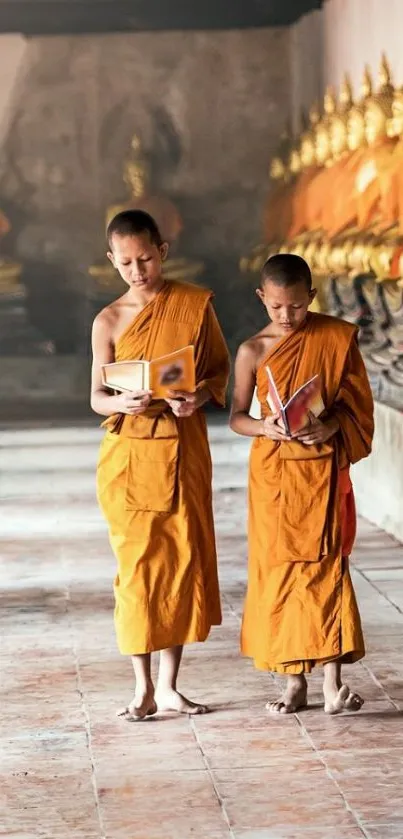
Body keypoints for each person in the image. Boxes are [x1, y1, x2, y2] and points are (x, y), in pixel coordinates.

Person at [91, 209, 230, 720]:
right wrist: (121, 403)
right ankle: (141, 688)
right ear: (112, 261)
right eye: (125, 262)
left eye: (145, 258)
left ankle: (170, 687)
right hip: (130, 457)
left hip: (183, 445)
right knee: (137, 570)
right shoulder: (107, 320)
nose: (137, 270)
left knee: (178, 563)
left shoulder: (194, 305)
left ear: (163, 251)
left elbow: (217, 372)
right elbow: (97, 397)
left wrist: (196, 397)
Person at [230, 254, 374, 715]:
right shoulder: (252, 350)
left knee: (326, 568)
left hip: (320, 470)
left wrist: (331, 426)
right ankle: (294, 682)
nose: (287, 317)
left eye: (295, 306)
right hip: (274, 474)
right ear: (262, 298)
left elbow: (357, 408)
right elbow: (236, 417)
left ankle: (332, 685)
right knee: (279, 574)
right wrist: (265, 427)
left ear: (311, 296)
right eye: (276, 308)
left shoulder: (335, 338)